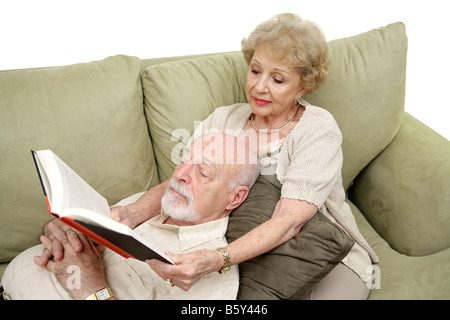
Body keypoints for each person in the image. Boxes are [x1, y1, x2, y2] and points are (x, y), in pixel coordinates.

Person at [34, 13, 379, 299]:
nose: (259, 87)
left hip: (317, 249)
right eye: (256, 70)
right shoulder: (224, 119)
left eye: (277, 79)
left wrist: (217, 260)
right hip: (237, 247)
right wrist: (128, 213)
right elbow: (181, 179)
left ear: (303, 87)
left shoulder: (317, 129)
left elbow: (290, 221)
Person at [1, 133, 260, 300]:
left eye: (203, 173)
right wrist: (61, 230)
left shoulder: (208, 276)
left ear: (235, 198)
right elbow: (72, 231)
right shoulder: (144, 206)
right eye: (184, 161)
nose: (180, 174)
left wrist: (92, 288)